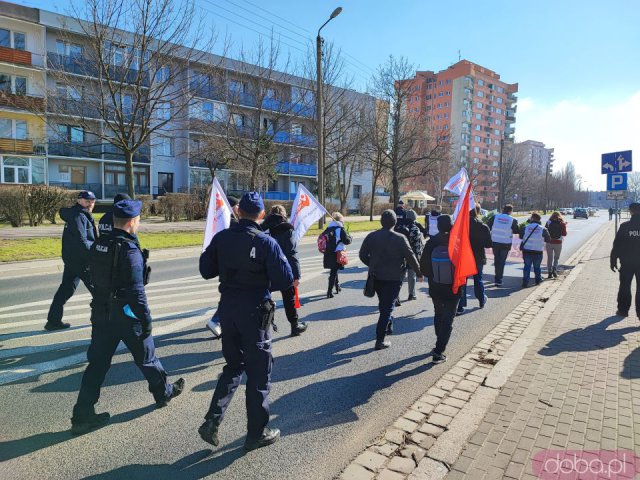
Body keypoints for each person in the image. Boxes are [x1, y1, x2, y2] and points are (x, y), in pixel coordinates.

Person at [71, 199, 184, 435]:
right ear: (133, 221)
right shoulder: (129, 250)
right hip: (126, 314)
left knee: (97, 364)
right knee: (147, 357)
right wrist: (146, 319)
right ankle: (163, 393)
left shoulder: (100, 244)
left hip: (101, 313)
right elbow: (136, 292)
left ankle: (82, 414)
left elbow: (91, 277)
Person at [198, 192, 293, 451]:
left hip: (228, 310)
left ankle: (212, 421)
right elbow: (286, 280)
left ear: (239, 212)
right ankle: (256, 433)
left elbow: (205, 270)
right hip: (255, 312)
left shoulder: (222, 237)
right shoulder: (266, 242)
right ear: (261, 214)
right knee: (259, 374)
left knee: (233, 366)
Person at [359, 210, 422, 350]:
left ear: (381, 222)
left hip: (377, 277)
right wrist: (419, 273)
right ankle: (380, 340)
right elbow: (411, 256)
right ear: (394, 223)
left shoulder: (372, 236)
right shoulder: (400, 238)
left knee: (385, 304)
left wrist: (372, 264)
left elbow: (362, 254)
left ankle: (388, 324)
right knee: (386, 309)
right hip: (394, 278)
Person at [45, 190, 98, 331]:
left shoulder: (79, 214)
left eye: (92, 201)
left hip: (72, 260)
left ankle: (53, 321)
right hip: (82, 261)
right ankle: (106, 321)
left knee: (66, 289)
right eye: (87, 201)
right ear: (79, 200)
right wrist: (93, 257)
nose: (90, 204)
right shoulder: (78, 216)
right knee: (99, 290)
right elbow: (81, 241)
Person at [261, 205, 308, 336]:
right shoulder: (287, 230)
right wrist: (296, 275)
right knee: (289, 299)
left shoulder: (262, 229)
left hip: (265, 271)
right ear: (283, 215)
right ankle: (295, 326)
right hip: (283, 269)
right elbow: (292, 254)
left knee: (263, 300)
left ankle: (263, 330)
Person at [420, 215, 460, 364]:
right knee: (448, 319)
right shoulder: (457, 241)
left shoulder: (431, 242)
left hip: (436, 286)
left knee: (438, 314)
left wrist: (433, 276)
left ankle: (439, 342)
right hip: (453, 287)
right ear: (451, 225)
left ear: (438, 226)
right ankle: (438, 351)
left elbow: (423, 266)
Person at [206, 196, 239, 339]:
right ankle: (216, 320)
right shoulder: (230, 224)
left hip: (228, 265)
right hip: (232, 266)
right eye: (237, 206)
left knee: (230, 295)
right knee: (231, 295)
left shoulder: (228, 222)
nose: (239, 208)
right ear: (231, 207)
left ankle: (222, 321)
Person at [458, 206, 492, 314]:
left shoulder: (462, 225)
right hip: (478, 256)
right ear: (478, 212)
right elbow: (488, 244)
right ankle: (481, 300)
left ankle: (460, 306)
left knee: (463, 281)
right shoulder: (483, 226)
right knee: (478, 279)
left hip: (464, 256)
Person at [610, 202, 640, 318]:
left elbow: (617, 245)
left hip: (627, 262)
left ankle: (623, 310)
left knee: (624, 286)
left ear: (630, 211)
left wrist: (613, 260)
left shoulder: (625, 226)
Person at [395, 209, 426, 301]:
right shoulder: (415, 229)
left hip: (401, 256)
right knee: (411, 276)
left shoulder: (399, 227)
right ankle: (411, 294)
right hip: (412, 256)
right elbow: (418, 246)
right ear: (414, 218)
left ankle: (396, 296)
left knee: (400, 277)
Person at [488, 204, 519, 287]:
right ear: (510, 211)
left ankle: (497, 277)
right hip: (505, 243)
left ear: (503, 209)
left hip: (495, 242)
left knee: (497, 260)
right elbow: (516, 231)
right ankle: (498, 279)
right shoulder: (513, 220)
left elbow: (488, 227)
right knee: (501, 261)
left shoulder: (495, 217)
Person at [322, 212, 352, 299]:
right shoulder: (340, 229)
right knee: (333, 272)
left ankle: (337, 286)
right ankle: (329, 291)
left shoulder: (328, 228)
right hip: (337, 253)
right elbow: (346, 241)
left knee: (334, 270)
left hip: (328, 252)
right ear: (341, 220)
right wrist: (350, 237)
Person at [519, 212, 551, 287]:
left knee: (527, 266)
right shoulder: (543, 229)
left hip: (527, 250)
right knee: (537, 267)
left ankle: (525, 282)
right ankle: (537, 280)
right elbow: (548, 239)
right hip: (538, 251)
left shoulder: (525, 227)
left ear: (532, 218)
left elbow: (520, 236)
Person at [545, 211, 567, 278]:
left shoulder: (548, 222)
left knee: (549, 258)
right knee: (556, 258)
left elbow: (545, 231)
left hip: (549, 242)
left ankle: (549, 272)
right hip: (558, 242)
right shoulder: (562, 223)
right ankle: (554, 269)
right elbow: (564, 234)